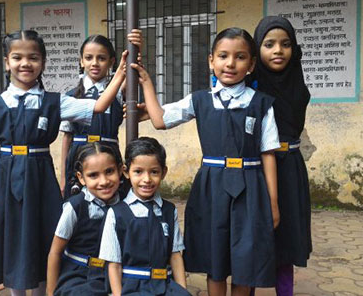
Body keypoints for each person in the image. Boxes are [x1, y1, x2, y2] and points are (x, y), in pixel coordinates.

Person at [132, 27, 281, 296]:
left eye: (240, 57)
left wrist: (272, 203)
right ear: (211, 60)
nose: (230, 63)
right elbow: (160, 120)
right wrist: (146, 83)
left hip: (251, 187)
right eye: (223, 56)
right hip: (212, 187)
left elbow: (268, 153)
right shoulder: (200, 100)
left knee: (245, 258)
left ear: (251, 64)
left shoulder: (261, 104)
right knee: (216, 258)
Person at [0, 29, 127, 295]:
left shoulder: (55, 102)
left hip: (40, 179)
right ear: (6, 62)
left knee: (44, 235)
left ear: (43, 62)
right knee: (13, 237)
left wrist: (121, 74)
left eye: (33, 57)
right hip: (6, 180)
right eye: (17, 57)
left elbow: (99, 106)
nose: (25, 63)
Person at [249, 16, 312, 296]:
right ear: (256, 50)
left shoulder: (298, 84)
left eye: (285, 44)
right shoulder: (249, 87)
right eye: (269, 44)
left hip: (291, 170)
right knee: (252, 239)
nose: (278, 50)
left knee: (286, 239)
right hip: (256, 169)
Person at [98, 137, 191, 296]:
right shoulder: (116, 213)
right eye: (138, 172)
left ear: (164, 172)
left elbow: (175, 255)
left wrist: (182, 290)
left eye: (154, 172)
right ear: (126, 172)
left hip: (164, 285)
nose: (146, 179)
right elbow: (113, 264)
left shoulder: (169, 210)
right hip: (132, 287)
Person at [60, 31, 142, 199]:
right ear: (81, 61)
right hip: (78, 157)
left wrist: (136, 49)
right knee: (79, 208)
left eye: (101, 58)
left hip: (109, 155)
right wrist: (62, 178)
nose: (94, 63)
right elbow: (67, 138)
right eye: (89, 58)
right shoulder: (70, 96)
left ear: (112, 62)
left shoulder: (117, 92)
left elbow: (130, 72)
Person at [47, 142, 123, 296]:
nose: (104, 181)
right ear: (81, 178)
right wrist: (51, 293)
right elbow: (55, 252)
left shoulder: (127, 204)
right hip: (80, 276)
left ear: (121, 170)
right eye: (93, 175)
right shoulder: (75, 207)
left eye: (109, 171)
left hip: (116, 274)